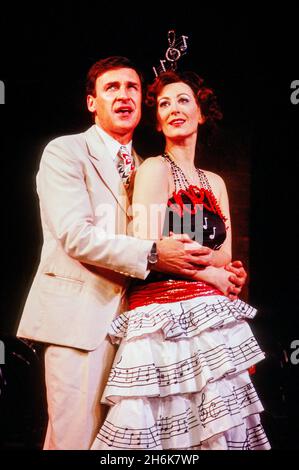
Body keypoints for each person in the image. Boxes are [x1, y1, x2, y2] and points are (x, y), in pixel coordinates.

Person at [16, 57, 246, 450]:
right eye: (111, 88)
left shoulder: (148, 168)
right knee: (75, 440)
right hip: (80, 325)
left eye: (133, 88)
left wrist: (217, 270)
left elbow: (179, 246)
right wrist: (160, 254)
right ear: (92, 102)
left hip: (140, 329)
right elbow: (75, 235)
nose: (123, 95)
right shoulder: (66, 151)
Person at [91, 70, 270, 451]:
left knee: (219, 428)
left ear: (201, 114)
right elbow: (149, 246)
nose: (175, 109)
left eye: (184, 100)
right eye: (166, 104)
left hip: (212, 318)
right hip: (164, 318)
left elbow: (226, 253)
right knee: (170, 429)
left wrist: (224, 272)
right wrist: (215, 275)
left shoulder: (214, 181)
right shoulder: (155, 168)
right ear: (157, 121)